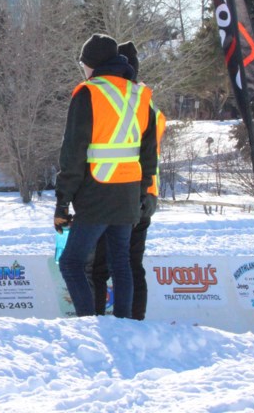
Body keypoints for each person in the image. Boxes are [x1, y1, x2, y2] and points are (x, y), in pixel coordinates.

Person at [54, 33, 156, 318]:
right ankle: (124, 324)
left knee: (71, 263)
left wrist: (63, 200)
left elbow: (73, 151)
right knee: (121, 263)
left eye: (84, 63)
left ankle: (88, 322)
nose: (83, 69)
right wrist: (144, 190)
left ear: (93, 64)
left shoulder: (89, 92)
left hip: (97, 192)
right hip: (128, 192)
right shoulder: (138, 94)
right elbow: (149, 152)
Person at [90, 42, 166, 319]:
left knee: (100, 265)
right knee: (132, 263)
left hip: (116, 191)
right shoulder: (149, 105)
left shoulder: (125, 103)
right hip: (147, 192)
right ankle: (135, 321)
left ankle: (96, 319)